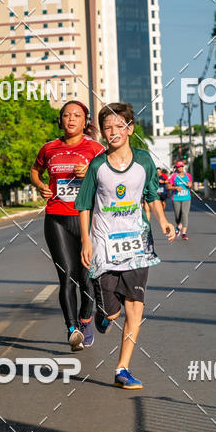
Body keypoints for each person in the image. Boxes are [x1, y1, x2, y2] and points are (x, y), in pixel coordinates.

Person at [76, 102, 175, 390]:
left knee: (135, 309)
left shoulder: (144, 161)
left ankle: (122, 369)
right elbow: (83, 205)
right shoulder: (98, 165)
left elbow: (151, 194)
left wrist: (163, 220)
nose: (113, 132)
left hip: (137, 245)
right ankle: (103, 314)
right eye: (107, 128)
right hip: (104, 245)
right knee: (113, 313)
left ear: (130, 129)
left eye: (119, 126)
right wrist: (85, 240)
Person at [31, 100, 105, 351]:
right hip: (56, 217)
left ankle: (85, 320)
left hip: (87, 219)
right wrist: (40, 185)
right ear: (60, 120)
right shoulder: (49, 148)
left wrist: (90, 173)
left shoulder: (96, 149)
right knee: (66, 277)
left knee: (87, 279)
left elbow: (108, 177)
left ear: (86, 121)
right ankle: (72, 329)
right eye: (66, 115)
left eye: (77, 115)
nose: (71, 119)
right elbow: (35, 170)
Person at [168, 160, 192, 240]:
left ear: (183, 167)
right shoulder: (174, 176)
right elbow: (168, 187)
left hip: (186, 197)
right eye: (179, 167)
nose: (180, 168)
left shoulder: (188, 175)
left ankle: (184, 233)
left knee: (184, 214)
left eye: (181, 166)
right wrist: (175, 187)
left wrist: (190, 185)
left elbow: (190, 185)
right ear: (176, 168)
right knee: (177, 216)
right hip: (176, 198)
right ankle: (178, 227)